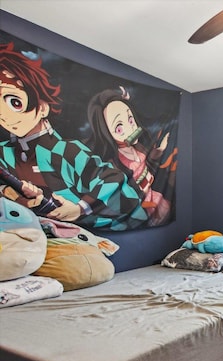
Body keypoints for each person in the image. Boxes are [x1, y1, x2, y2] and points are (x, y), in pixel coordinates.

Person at [0, 42, 148, 230]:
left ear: (43, 107)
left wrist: (80, 208)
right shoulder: (5, 152)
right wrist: (10, 193)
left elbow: (118, 184)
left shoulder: (66, 151)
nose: (4, 115)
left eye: (15, 102)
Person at [86, 87, 175, 226]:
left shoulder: (138, 148)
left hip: (157, 199)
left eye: (130, 120)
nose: (130, 129)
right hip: (142, 210)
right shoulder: (115, 164)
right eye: (119, 128)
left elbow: (148, 166)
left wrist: (159, 151)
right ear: (107, 133)